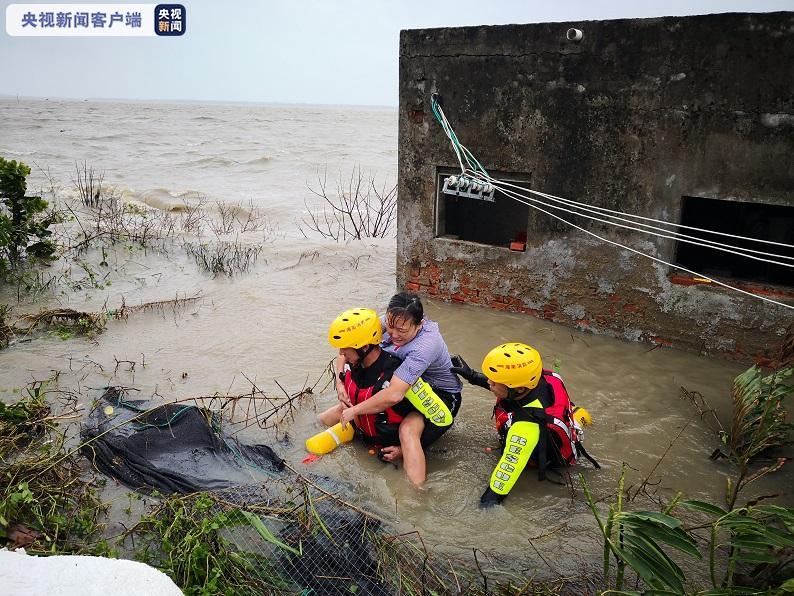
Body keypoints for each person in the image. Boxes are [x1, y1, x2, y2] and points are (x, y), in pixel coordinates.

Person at [337, 292, 463, 486]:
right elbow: (347, 343)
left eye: (402, 331)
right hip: (408, 383)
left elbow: (395, 394)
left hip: (440, 395)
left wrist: (355, 410)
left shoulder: (425, 345)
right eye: (390, 327)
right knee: (343, 408)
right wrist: (340, 382)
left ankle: (416, 494)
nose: (393, 334)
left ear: (419, 325)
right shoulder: (393, 320)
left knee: (407, 431)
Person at [451, 342, 598, 506]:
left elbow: (503, 480)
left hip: (549, 459)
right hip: (565, 424)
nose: (489, 383)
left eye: (494, 381)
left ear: (519, 389)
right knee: (580, 414)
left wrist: (484, 507)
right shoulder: (539, 379)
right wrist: (472, 375)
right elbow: (506, 387)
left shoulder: (525, 429)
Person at [319, 307, 409, 449]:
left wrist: (402, 450)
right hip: (357, 430)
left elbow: (422, 419)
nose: (341, 353)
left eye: (345, 348)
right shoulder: (355, 361)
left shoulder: (398, 375)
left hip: (385, 447)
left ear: (365, 347)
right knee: (317, 423)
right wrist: (339, 382)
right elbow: (342, 357)